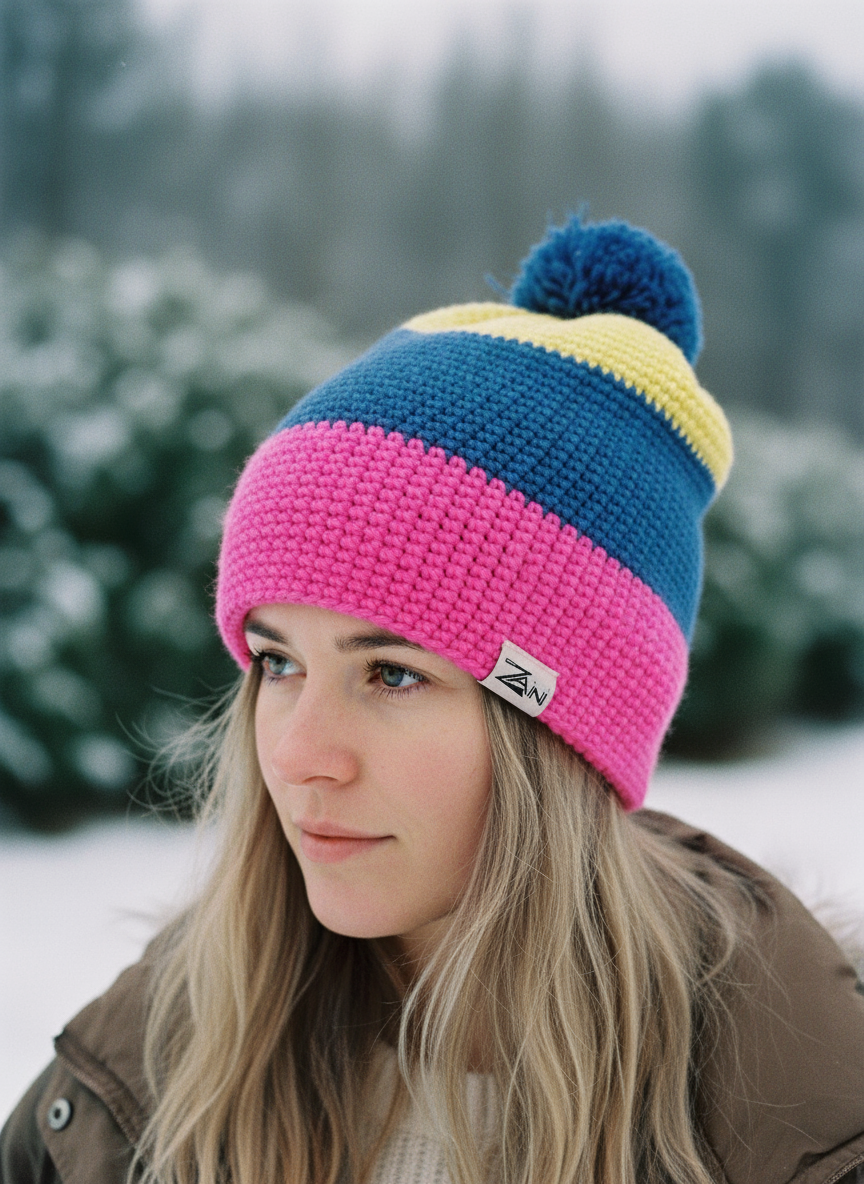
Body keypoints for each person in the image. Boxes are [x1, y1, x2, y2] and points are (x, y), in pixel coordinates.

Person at [2, 217, 864, 1184]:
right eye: (277, 663)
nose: (296, 754)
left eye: (393, 674)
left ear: (554, 726)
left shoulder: (793, 1128)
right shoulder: (147, 1073)